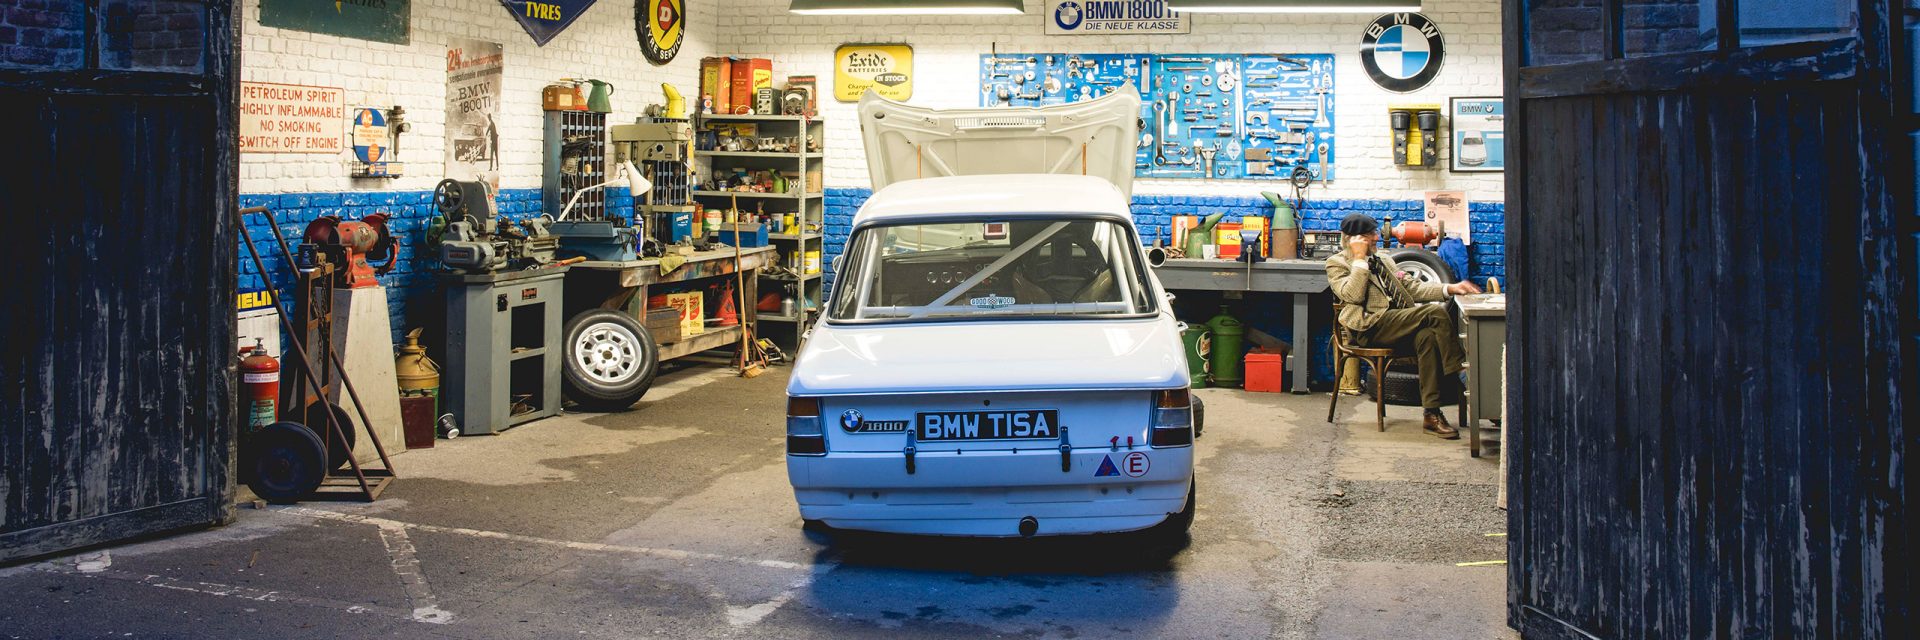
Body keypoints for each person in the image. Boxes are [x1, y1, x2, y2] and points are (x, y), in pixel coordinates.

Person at [1325, 213, 1481, 439]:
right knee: (1434, 313)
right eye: (1371, 235)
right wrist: (1359, 260)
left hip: (1395, 322)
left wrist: (1451, 288)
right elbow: (1353, 295)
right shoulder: (1337, 264)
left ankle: (1431, 414)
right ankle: (1460, 371)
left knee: (1427, 336)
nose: (1377, 238)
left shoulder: (1385, 260)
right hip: (1368, 327)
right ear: (1355, 239)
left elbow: (1413, 288)